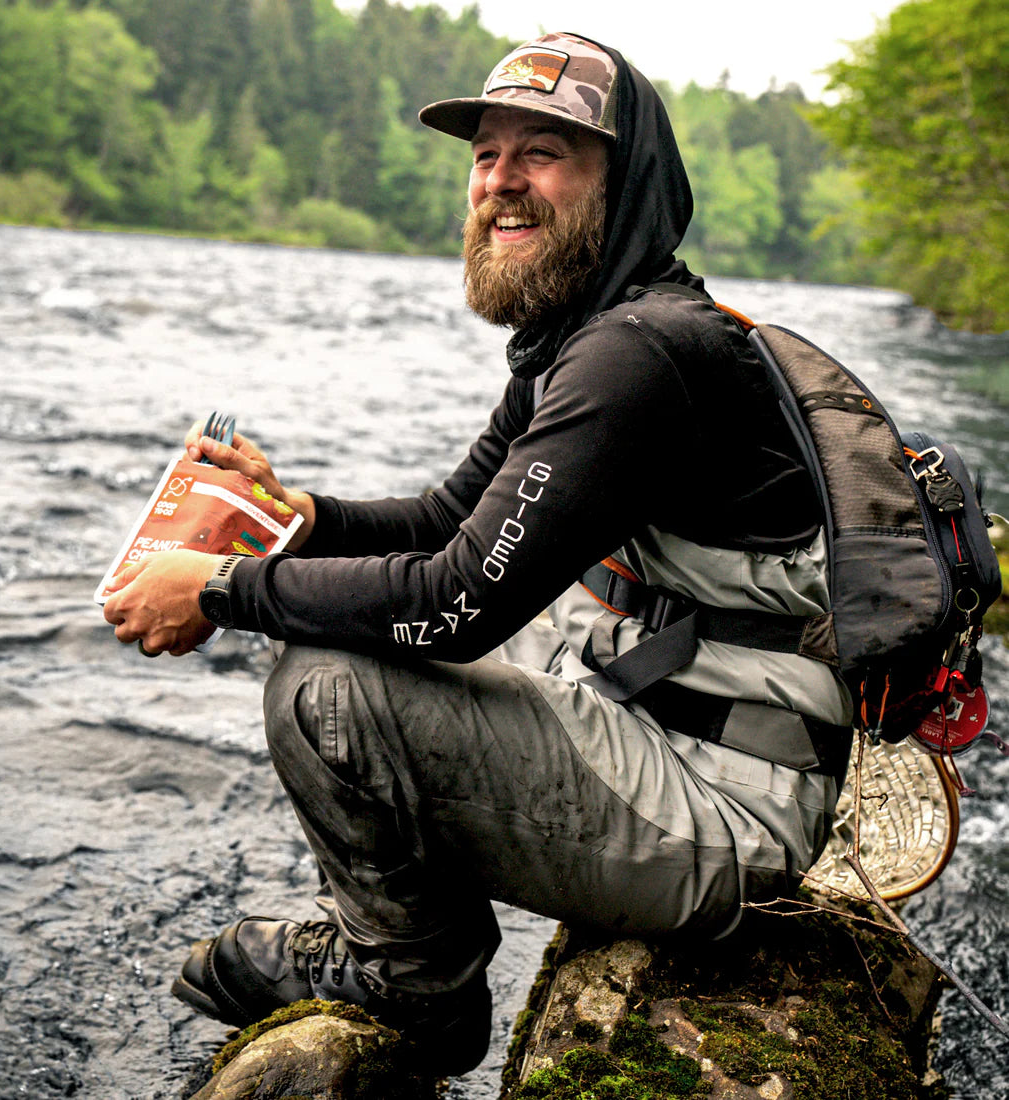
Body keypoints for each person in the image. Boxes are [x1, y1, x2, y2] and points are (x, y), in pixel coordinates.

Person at [103, 32, 852, 1077]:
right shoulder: (588, 336)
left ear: (622, 180)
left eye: (541, 151)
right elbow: (450, 518)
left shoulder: (638, 355)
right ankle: (401, 942)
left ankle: (411, 975)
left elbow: (458, 599)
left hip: (730, 807)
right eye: (484, 154)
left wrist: (225, 586)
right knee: (366, 626)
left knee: (325, 685)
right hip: (668, 728)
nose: (499, 181)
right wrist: (289, 514)